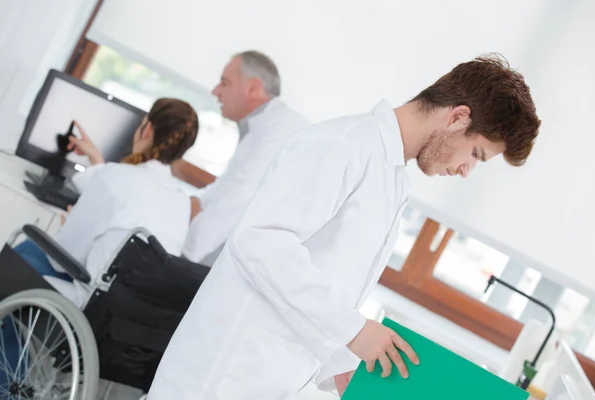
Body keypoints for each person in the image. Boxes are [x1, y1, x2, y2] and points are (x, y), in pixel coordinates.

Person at [147, 55, 541, 399]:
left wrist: (342, 367)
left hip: (264, 378)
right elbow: (259, 240)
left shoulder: (391, 179)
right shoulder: (345, 144)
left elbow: (324, 284)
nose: (465, 170)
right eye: (476, 154)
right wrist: (353, 330)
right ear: (457, 118)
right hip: (217, 377)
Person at [14, 98, 200, 307]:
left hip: (85, 305)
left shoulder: (117, 176)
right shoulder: (181, 203)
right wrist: (96, 159)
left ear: (147, 129)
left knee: (27, 251)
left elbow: (62, 259)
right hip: (127, 316)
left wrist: (71, 226)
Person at [171, 50, 309, 266]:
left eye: (225, 83)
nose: (216, 92)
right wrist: (182, 206)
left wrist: (180, 256)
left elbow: (235, 201)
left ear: (252, 88)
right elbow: (225, 188)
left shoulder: (279, 131)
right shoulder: (262, 126)